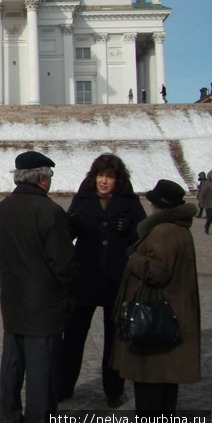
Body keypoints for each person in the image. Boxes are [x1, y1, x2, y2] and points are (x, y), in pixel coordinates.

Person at [0, 151, 78, 423]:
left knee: (12, 368)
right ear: (41, 178)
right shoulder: (50, 212)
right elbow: (64, 263)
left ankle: (9, 418)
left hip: (14, 302)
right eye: (49, 177)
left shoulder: (2, 209)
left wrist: (14, 276)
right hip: (45, 306)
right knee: (42, 372)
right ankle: (39, 421)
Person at [59, 154, 146, 407]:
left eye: (109, 176)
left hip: (117, 278)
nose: (104, 181)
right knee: (74, 335)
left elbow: (142, 236)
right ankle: (64, 384)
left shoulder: (129, 202)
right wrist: (69, 224)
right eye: (100, 175)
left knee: (115, 337)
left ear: (118, 180)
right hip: (85, 275)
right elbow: (67, 233)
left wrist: (129, 233)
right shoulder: (83, 198)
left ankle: (113, 389)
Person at [111, 180, 200, 414]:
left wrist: (134, 259)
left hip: (155, 317)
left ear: (157, 205)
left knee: (150, 387)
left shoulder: (163, 231)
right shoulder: (178, 228)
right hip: (172, 313)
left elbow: (157, 272)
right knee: (166, 388)